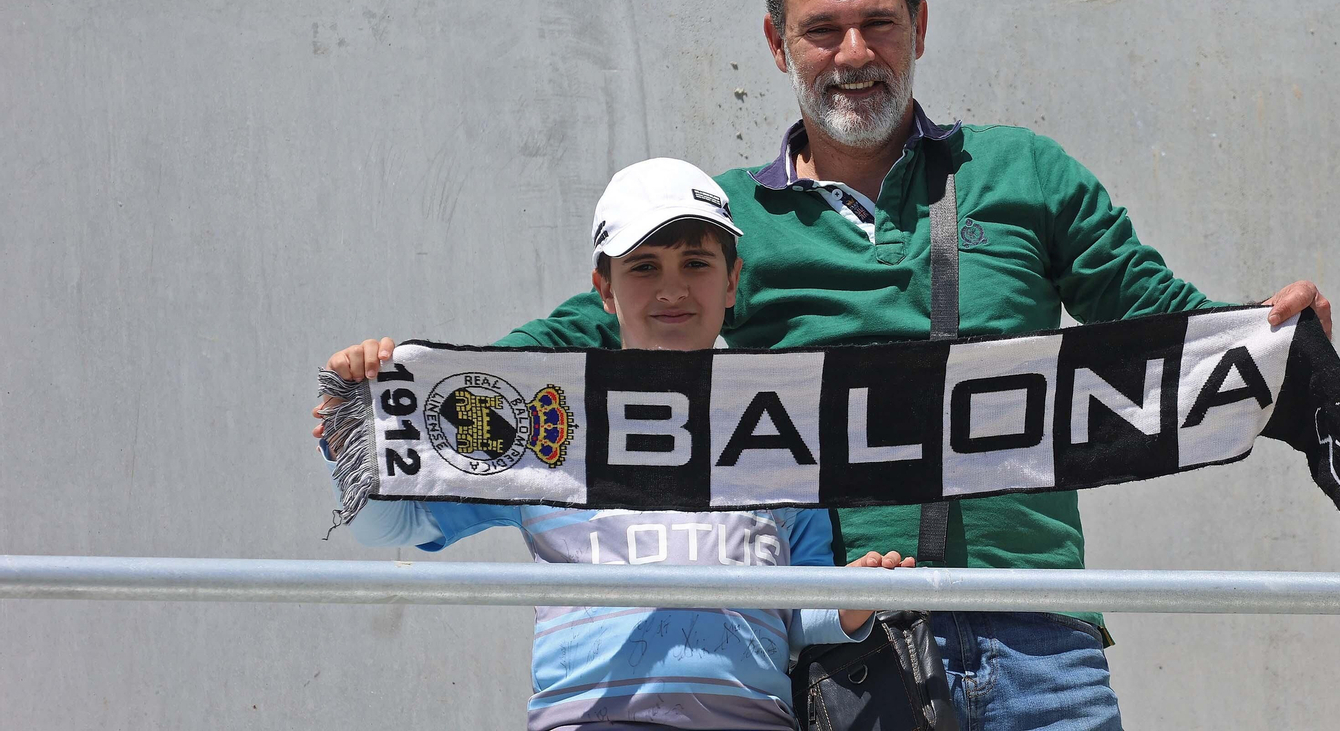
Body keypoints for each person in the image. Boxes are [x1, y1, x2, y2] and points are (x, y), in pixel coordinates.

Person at [329, 0, 1334, 731]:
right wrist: (411, 398)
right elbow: (585, 347)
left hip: (1040, 642)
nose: (852, 53)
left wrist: (1269, 336)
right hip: (851, 657)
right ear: (777, 43)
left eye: (878, 24)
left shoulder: (1026, 174)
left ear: (920, 26)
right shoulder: (722, 224)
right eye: (821, 30)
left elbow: (1148, 311)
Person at [313, 157, 912, 731]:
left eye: (696, 264)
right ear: (605, 287)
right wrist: (355, 429)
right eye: (644, 266)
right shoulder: (549, 418)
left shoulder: (784, 429)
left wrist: (849, 604)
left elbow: (796, 613)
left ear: (732, 282)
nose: (672, 290)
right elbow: (388, 530)